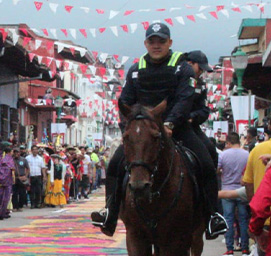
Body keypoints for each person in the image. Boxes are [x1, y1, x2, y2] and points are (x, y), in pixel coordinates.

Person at [91, 22, 227, 239]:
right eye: (152, 41)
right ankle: (110, 213)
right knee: (115, 164)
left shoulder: (182, 68)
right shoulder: (135, 70)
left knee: (208, 161)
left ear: (169, 43)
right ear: (146, 43)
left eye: (161, 41)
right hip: (144, 131)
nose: (156, 45)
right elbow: (125, 100)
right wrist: (129, 126)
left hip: (176, 128)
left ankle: (212, 216)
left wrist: (170, 123)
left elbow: (185, 99)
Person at [218, 132, 250, 256]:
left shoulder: (223, 155)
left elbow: (217, 169)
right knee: (243, 220)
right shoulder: (246, 154)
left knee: (228, 219)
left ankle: (230, 249)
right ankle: (245, 249)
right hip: (242, 190)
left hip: (227, 190)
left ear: (229, 143)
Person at [186, 50, 218, 166]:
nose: (201, 72)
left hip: (191, 127)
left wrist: (193, 117)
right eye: (200, 68)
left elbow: (204, 109)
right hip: (170, 123)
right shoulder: (175, 80)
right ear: (190, 64)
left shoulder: (201, 85)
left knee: (210, 150)